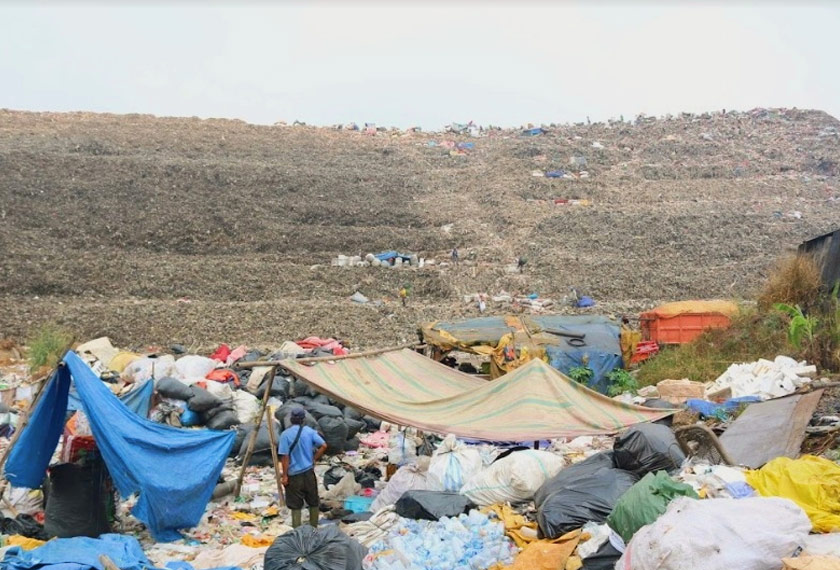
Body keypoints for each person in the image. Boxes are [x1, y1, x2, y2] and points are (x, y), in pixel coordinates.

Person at [279, 408, 327, 528]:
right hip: (308, 472)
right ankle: (314, 528)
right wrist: (314, 459)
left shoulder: (285, 435)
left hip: (294, 474)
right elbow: (324, 445)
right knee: (313, 501)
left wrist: (284, 476)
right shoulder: (309, 431)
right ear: (303, 419)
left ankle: (297, 531)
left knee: (295, 505)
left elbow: (285, 457)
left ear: (291, 419)